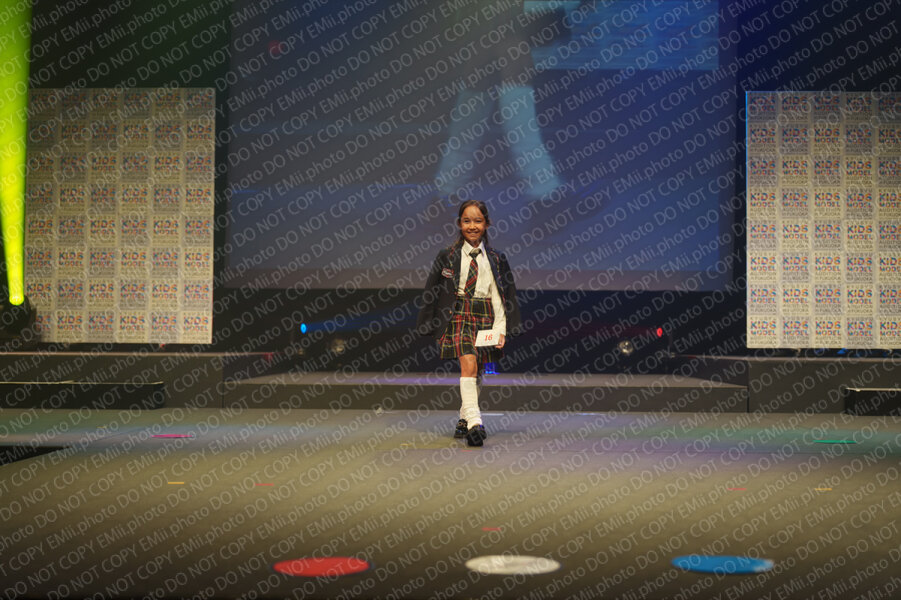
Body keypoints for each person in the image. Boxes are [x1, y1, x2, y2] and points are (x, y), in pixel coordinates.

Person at [417, 200, 521, 446]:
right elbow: (432, 290)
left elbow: (502, 295)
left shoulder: (496, 258)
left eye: (477, 221)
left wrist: (501, 330)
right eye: (466, 221)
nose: (472, 226)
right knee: (469, 362)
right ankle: (476, 423)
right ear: (459, 224)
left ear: (486, 224)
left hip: (485, 316)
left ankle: (464, 418)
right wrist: (430, 323)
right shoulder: (447, 255)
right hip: (458, 315)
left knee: (478, 370)